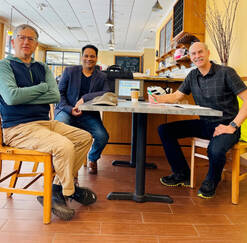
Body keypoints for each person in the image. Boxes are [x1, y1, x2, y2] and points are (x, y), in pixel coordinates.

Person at [0, 24, 97, 221]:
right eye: (21, 38)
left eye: (31, 39)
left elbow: (53, 95)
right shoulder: (4, 66)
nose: (26, 42)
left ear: (36, 44)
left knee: (85, 137)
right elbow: (11, 97)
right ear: (13, 41)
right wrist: (41, 88)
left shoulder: (42, 67)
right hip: (18, 128)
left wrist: (27, 94)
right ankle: (68, 191)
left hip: (45, 123)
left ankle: (57, 189)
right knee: (63, 146)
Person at [149, 42, 247, 199]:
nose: (196, 56)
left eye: (200, 52)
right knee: (165, 130)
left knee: (215, 150)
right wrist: (156, 98)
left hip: (227, 126)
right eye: (193, 54)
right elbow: (177, 96)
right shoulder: (192, 76)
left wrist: (233, 126)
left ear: (208, 53)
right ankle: (182, 174)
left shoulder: (226, 73)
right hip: (205, 124)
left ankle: (212, 181)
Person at [55, 44, 110, 174]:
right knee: (59, 130)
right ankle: (60, 162)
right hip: (67, 111)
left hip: (88, 114)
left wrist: (85, 97)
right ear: (82, 57)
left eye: (92, 56)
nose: (89, 59)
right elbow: (59, 93)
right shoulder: (70, 71)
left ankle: (92, 158)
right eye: (86, 56)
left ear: (96, 58)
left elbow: (107, 92)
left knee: (103, 136)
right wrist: (69, 109)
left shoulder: (101, 76)